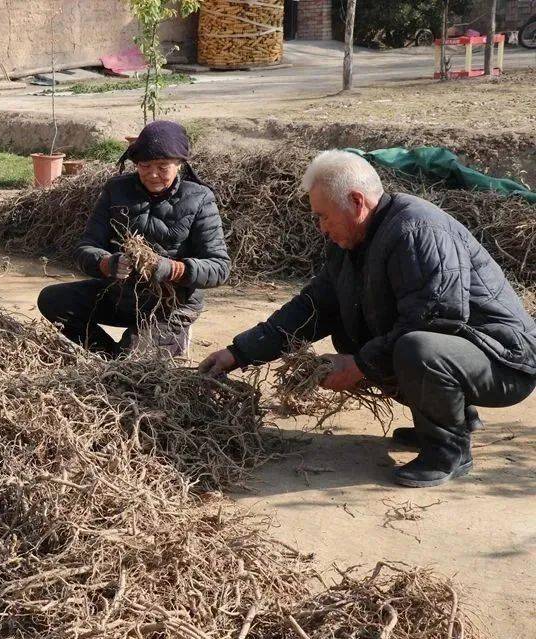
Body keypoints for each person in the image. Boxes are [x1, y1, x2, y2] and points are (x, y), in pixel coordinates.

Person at [200, 150, 536, 488]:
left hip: (504, 361)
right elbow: (314, 307)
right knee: (352, 335)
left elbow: (438, 320)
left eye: (323, 216)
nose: (321, 228)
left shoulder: (416, 231)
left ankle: (448, 451)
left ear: (357, 201)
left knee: (415, 347)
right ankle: (451, 417)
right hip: (461, 354)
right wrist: (240, 352)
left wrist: (358, 365)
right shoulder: (351, 242)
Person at [36, 120, 230, 357]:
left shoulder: (200, 198)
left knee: (131, 359)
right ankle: (106, 357)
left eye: (162, 166)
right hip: (121, 295)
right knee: (53, 300)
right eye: (145, 165)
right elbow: (84, 248)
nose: (153, 174)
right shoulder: (116, 190)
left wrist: (172, 269)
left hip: (172, 305)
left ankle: (159, 341)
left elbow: (220, 267)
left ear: (179, 164)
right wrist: (107, 263)